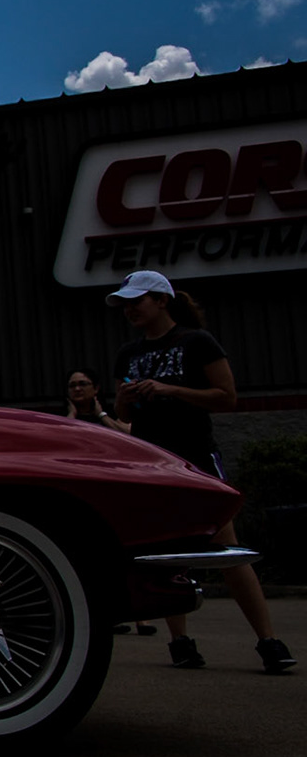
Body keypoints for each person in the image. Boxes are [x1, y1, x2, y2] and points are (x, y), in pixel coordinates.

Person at [108, 270, 294, 674]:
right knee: (163, 550)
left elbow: (226, 398)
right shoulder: (128, 353)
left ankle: (268, 640)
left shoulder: (196, 341)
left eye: (136, 301)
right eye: (125, 303)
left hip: (194, 457)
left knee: (224, 546)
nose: (129, 309)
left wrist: (169, 389)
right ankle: (181, 643)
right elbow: (125, 416)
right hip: (151, 460)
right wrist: (124, 400)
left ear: (162, 300)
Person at [65, 368, 155, 635]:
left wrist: (101, 414)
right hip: (84, 493)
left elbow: (129, 435)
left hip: (114, 488)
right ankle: (109, 616)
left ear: (95, 388)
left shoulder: (110, 416)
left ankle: (141, 617)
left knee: (126, 552)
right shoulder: (64, 420)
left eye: (83, 384)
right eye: (72, 385)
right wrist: (71, 415)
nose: (78, 389)